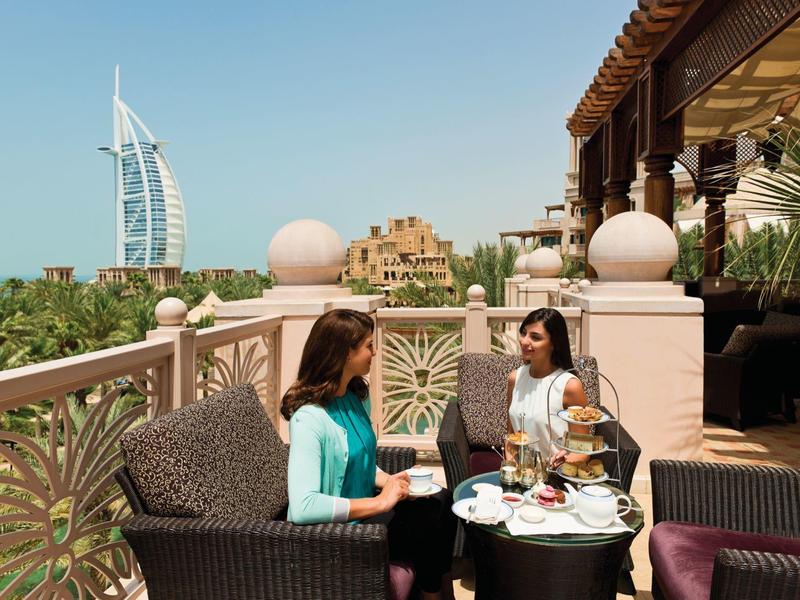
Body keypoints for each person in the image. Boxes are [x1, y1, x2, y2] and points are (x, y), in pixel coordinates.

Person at [282, 309, 456, 600]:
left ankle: (435, 593)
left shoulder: (354, 396)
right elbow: (303, 507)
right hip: (340, 535)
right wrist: (380, 502)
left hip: (369, 519)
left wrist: (393, 482)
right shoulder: (309, 418)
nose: (374, 352)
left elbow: (360, 462)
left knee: (440, 499)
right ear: (344, 353)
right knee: (430, 519)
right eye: (368, 345)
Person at [506, 308, 590, 467]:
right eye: (523, 333)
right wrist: (511, 469)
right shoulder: (514, 378)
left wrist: (564, 462)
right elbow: (511, 436)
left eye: (535, 337)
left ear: (554, 344)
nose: (524, 341)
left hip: (556, 475)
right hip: (521, 474)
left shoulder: (569, 386)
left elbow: (583, 449)